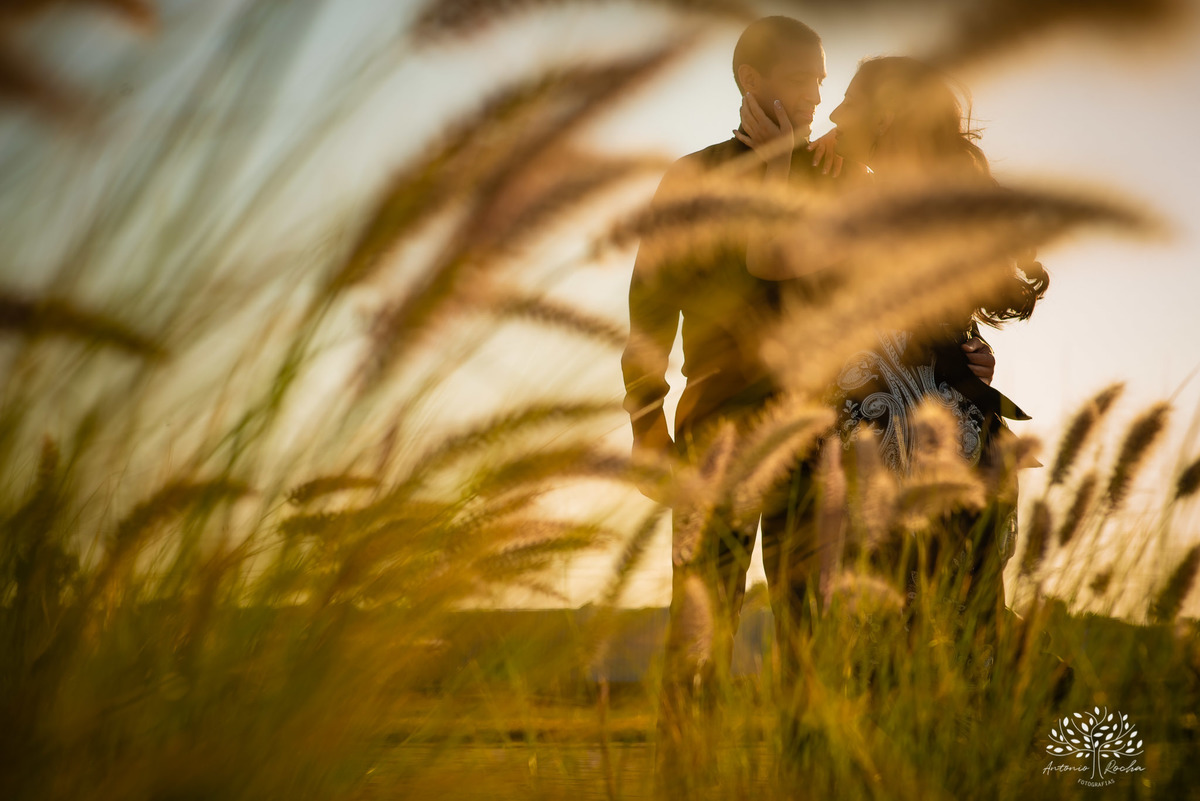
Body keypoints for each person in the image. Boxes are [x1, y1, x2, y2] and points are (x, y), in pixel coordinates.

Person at [619, 19, 1000, 782]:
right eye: (803, 81)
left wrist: (957, 353)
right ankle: (680, 782)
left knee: (810, 638)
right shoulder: (693, 183)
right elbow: (648, 311)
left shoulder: (837, 183)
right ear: (753, 83)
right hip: (713, 440)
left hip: (826, 443)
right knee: (699, 625)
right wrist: (645, 421)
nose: (818, 96)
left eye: (825, 82)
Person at [741, 55, 1048, 676]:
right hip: (962, 441)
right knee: (960, 634)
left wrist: (775, 167)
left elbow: (771, 258)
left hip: (896, 452)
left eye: (848, 107)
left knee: (893, 647)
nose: (831, 114)